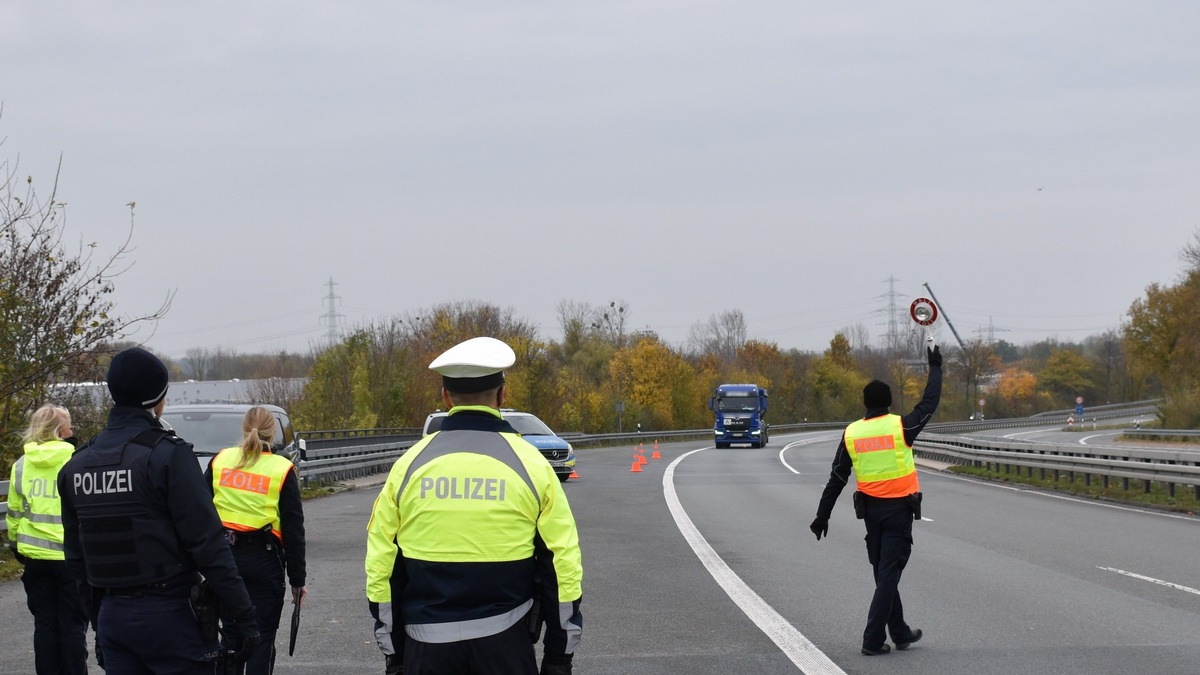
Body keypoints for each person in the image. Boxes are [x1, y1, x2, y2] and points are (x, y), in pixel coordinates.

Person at [365, 336, 584, 675]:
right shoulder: (533, 466)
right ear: (502, 395)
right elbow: (561, 565)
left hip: (425, 649)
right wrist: (558, 656)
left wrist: (393, 655)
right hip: (508, 648)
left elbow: (381, 567)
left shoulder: (406, 468)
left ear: (445, 397)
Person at [58, 347, 261, 674]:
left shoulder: (77, 465)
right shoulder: (168, 456)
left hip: (113, 616)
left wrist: (99, 623)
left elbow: (77, 559)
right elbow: (207, 544)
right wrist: (245, 617)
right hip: (171, 615)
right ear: (159, 398)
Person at [809, 345, 942, 656]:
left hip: (870, 513)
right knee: (888, 573)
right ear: (889, 402)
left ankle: (899, 632)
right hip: (899, 512)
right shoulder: (901, 426)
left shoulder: (852, 433)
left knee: (885, 571)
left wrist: (822, 515)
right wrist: (935, 366)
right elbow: (930, 402)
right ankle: (871, 639)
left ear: (865, 403)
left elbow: (837, 478)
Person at [205, 406, 307, 674]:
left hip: (225, 560)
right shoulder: (282, 468)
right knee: (261, 639)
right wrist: (298, 581)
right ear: (273, 433)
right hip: (264, 560)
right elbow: (294, 529)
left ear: (243, 428)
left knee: (230, 637)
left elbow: (199, 514)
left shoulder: (220, 461)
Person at [6, 404, 90, 674]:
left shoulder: (21, 465)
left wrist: (18, 545)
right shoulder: (77, 461)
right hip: (69, 558)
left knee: (44, 625)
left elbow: (14, 512)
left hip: (34, 558)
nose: (73, 430)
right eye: (70, 425)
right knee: (73, 625)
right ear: (61, 430)